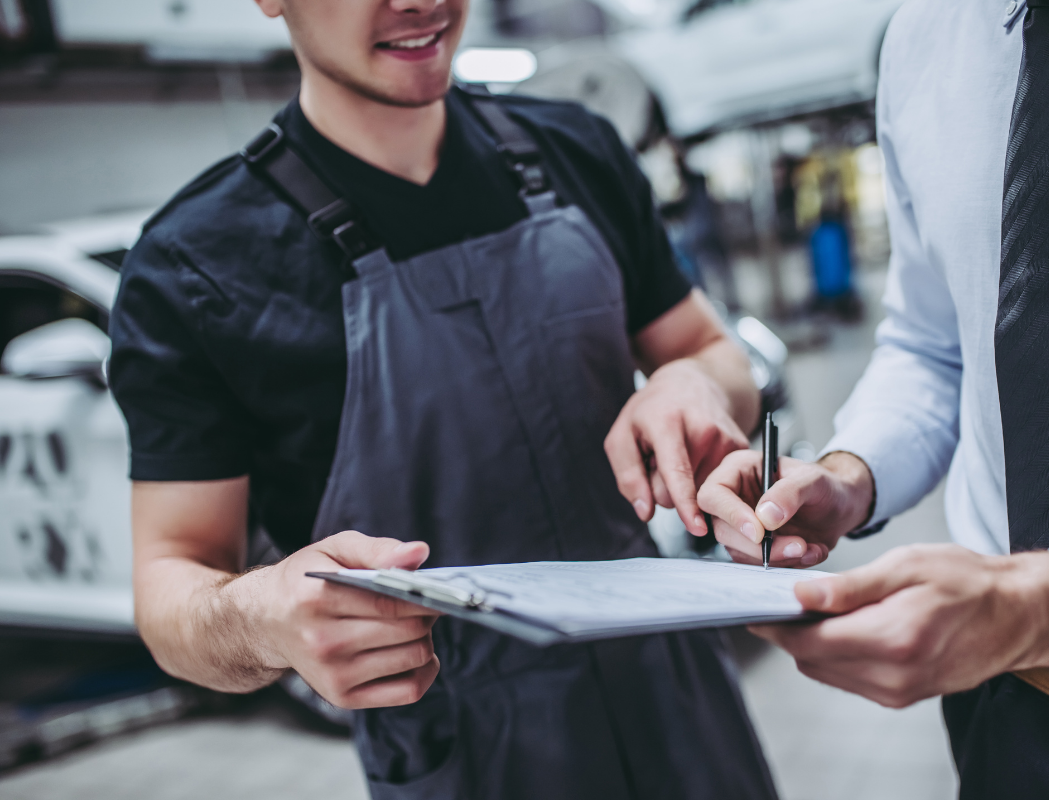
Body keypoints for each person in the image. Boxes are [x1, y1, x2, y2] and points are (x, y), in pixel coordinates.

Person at [108, 0, 779, 797]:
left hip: (678, 698)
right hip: (459, 744)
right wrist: (261, 618)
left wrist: (692, 380)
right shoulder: (194, 268)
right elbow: (171, 580)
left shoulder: (577, 149)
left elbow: (712, 353)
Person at [699, 0, 1049, 796]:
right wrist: (847, 474)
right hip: (1009, 716)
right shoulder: (924, 40)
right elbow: (933, 344)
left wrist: (1046, 604)